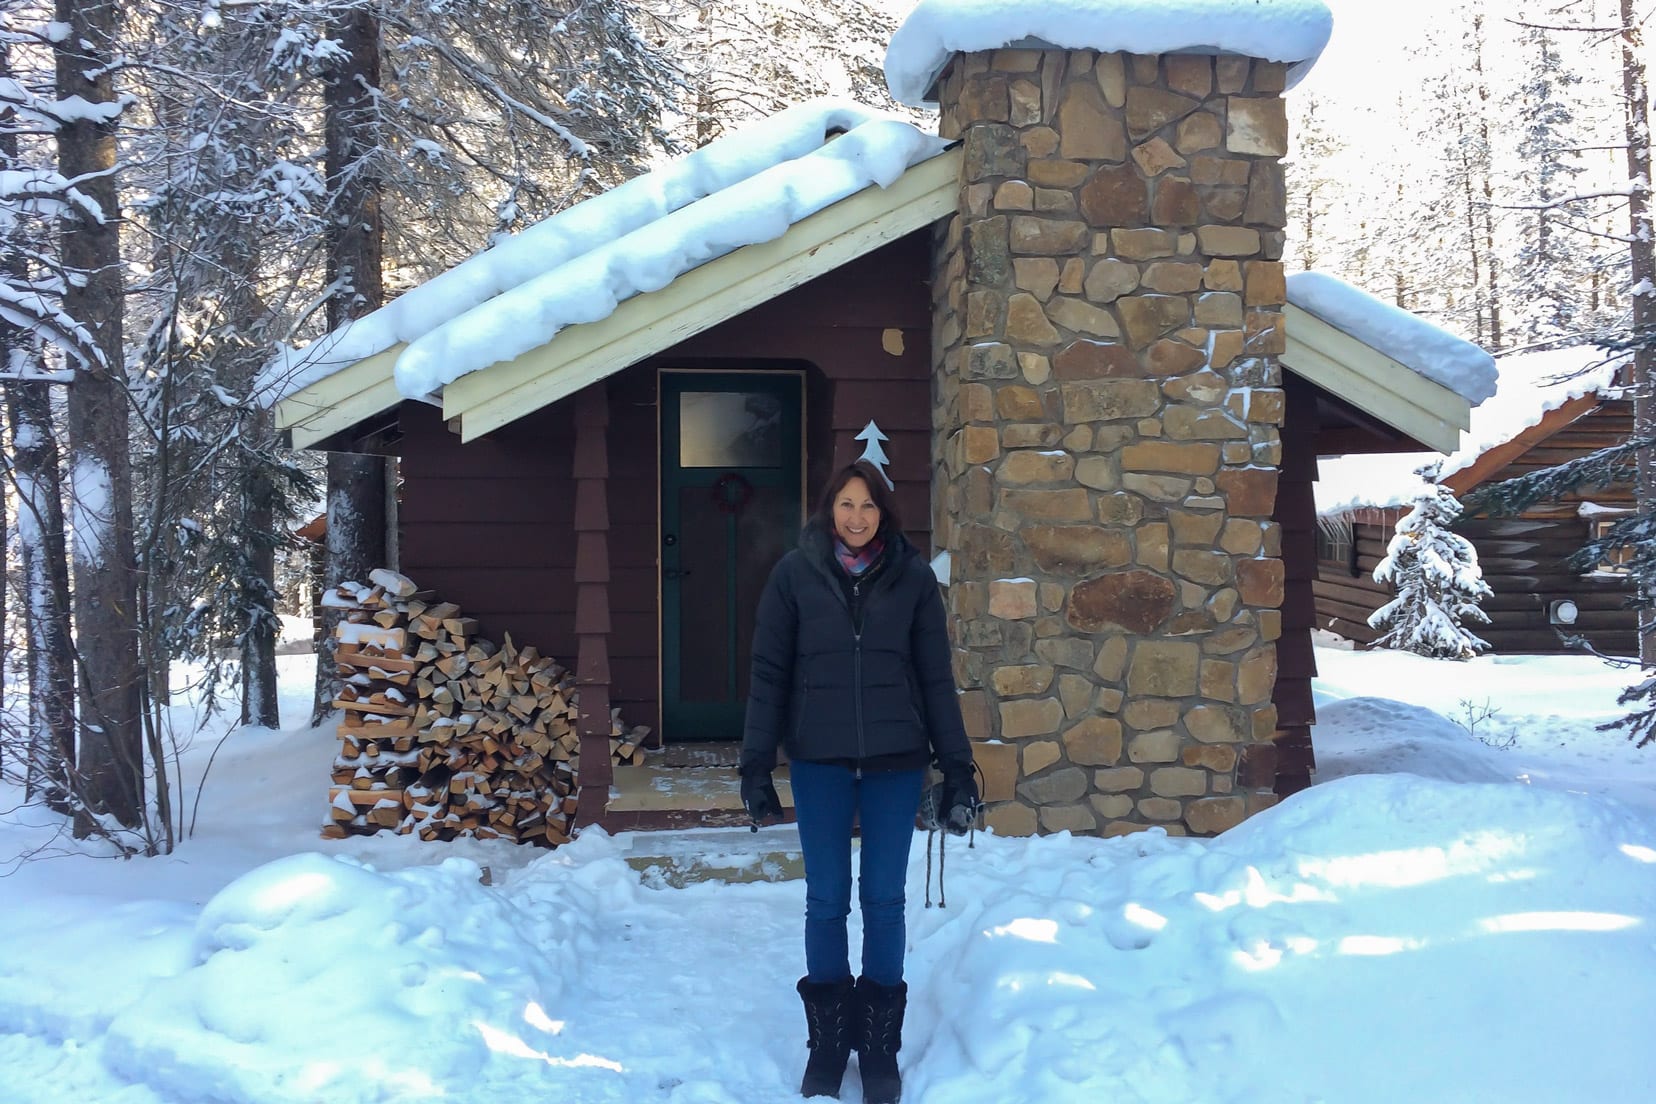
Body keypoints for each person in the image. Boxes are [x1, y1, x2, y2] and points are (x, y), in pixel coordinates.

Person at [740, 460, 979, 1103]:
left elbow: (935, 678)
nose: (855, 517)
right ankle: (826, 1043)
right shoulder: (794, 576)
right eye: (845, 504)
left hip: (896, 763)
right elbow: (769, 675)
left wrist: (957, 766)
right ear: (829, 509)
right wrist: (756, 765)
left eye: (867, 505)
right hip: (818, 760)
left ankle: (876, 1047)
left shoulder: (912, 578)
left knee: (883, 900)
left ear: (883, 512)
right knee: (826, 900)